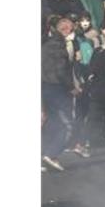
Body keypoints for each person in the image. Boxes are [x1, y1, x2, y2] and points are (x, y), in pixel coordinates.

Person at [42, 16, 78, 171]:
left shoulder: (45, 43)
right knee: (66, 124)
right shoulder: (59, 46)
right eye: (71, 29)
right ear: (64, 30)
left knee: (51, 123)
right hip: (56, 89)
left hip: (44, 87)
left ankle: (43, 156)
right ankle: (52, 154)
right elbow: (61, 71)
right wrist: (72, 87)